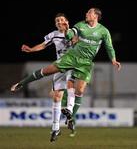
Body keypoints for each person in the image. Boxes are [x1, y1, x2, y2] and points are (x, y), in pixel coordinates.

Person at [11, 7, 121, 137]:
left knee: (77, 89)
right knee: (52, 84)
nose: (86, 13)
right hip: (69, 59)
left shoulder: (102, 31)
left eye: (89, 12)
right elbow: (64, 37)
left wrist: (113, 60)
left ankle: (70, 116)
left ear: (96, 15)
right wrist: (31, 49)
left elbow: (108, 46)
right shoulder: (77, 26)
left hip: (83, 63)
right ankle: (23, 85)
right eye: (57, 21)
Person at [19, 13, 78, 141]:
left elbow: (76, 42)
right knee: (57, 97)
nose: (59, 22)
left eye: (61, 20)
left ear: (66, 21)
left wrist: (69, 31)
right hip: (59, 66)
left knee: (70, 82)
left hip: (73, 65)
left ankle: (69, 110)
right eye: (57, 20)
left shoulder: (74, 31)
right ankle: (56, 129)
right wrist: (30, 49)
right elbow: (43, 45)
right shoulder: (53, 35)